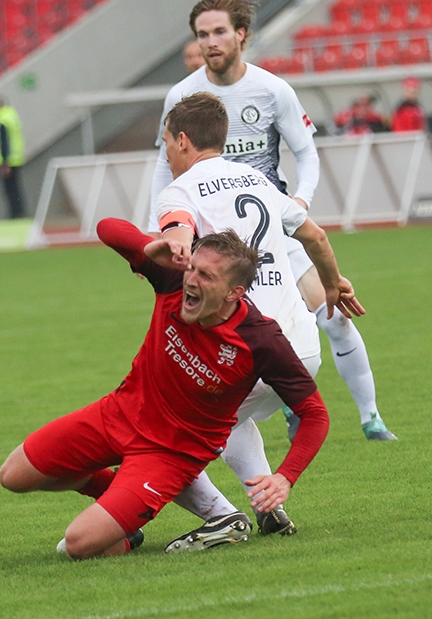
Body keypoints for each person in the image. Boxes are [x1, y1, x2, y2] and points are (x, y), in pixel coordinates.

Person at [0, 218, 351, 559]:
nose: (191, 280)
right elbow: (107, 227)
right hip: (119, 412)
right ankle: (118, 500)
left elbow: (314, 414)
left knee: (78, 544)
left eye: (206, 276)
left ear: (234, 293)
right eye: (192, 268)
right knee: (13, 476)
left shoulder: (261, 340)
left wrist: (285, 477)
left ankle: (125, 528)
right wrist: (150, 247)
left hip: (170, 454)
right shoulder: (172, 278)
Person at [147, 0, 396, 446]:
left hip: (272, 225)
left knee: (332, 314)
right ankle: (277, 403)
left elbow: (306, 152)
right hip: (216, 238)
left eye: (219, 31)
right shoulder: (182, 95)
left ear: (241, 34)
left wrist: (300, 200)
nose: (210, 42)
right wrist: (160, 224)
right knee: (233, 333)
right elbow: (164, 167)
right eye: (202, 34)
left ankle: (371, 417)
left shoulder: (271, 89)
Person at [150, 90, 363, 541]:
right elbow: (316, 236)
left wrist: (170, 244)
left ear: (183, 140)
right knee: (233, 421)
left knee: (154, 432)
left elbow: (178, 229)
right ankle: (269, 508)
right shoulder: (258, 180)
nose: (166, 153)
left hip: (242, 349)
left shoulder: (178, 191)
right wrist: (331, 283)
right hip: (300, 346)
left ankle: (221, 516)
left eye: (166, 142)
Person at [0, 96, 26, 219]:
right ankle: (19, 212)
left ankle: (15, 214)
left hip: (8, 160)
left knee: (9, 189)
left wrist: (4, 162)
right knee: (15, 188)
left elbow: (4, 142)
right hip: (15, 158)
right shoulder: (11, 116)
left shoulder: (3, 119)